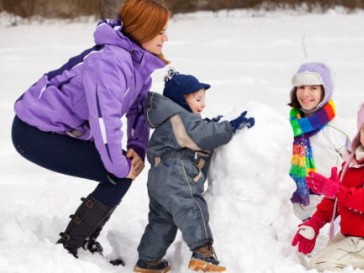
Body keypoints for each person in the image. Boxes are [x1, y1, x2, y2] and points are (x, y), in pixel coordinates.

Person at [10, 0, 170, 262]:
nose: (166, 37)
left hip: (61, 131)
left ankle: (82, 242)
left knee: (121, 170)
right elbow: (104, 119)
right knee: (118, 173)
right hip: (33, 132)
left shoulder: (139, 64)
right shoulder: (110, 63)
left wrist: (137, 148)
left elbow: (138, 110)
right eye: (160, 30)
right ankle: (71, 248)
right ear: (142, 29)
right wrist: (119, 164)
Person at [133, 69, 255, 273]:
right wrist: (229, 127)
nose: (203, 104)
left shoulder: (173, 120)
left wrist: (209, 123)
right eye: (198, 99)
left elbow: (195, 131)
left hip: (158, 177)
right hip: (176, 172)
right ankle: (202, 252)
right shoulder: (180, 116)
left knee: (162, 220)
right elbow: (203, 137)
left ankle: (148, 261)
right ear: (181, 100)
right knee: (191, 206)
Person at [291, 93, 364, 273]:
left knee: (322, 264)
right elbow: (335, 200)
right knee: (323, 256)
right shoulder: (355, 162)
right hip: (352, 233)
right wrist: (315, 223)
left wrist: (337, 190)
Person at [288, 62, 350, 221]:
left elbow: (354, 172)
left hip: (327, 211)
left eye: (313, 88)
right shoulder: (287, 126)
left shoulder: (338, 130)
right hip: (291, 210)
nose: (305, 94)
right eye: (301, 87)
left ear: (325, 90)